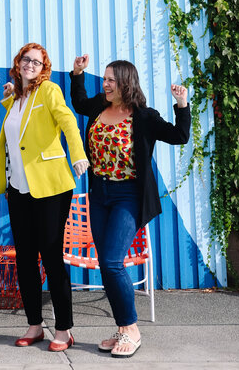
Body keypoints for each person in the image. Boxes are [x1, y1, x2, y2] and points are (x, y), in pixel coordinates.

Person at [70, 56, 190, 359]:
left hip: (128, 195)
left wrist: (182, 104)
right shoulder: (99, 106)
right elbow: (80, 102)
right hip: (100, 193)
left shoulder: (144, 116)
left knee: (111, 262)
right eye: (105, 79)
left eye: (111, 79)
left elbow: (179, 136)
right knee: (107, 264)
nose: (105, 84)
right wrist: (77, 73)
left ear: (126, 82)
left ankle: (131, 329)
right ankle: (122, 328)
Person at [0, 42, 89, 353]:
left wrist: (78, 155)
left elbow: (68, 121)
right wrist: (12, 96)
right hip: (18, 189)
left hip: (50, 187)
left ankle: (63, 329)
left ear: (43, 67)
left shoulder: (48, 91)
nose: (30, 65)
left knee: (50, 256)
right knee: (24, 259)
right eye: (26, 59)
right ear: (18, 62)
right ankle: (34, 325)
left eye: (36, 61)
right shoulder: (14, 99)